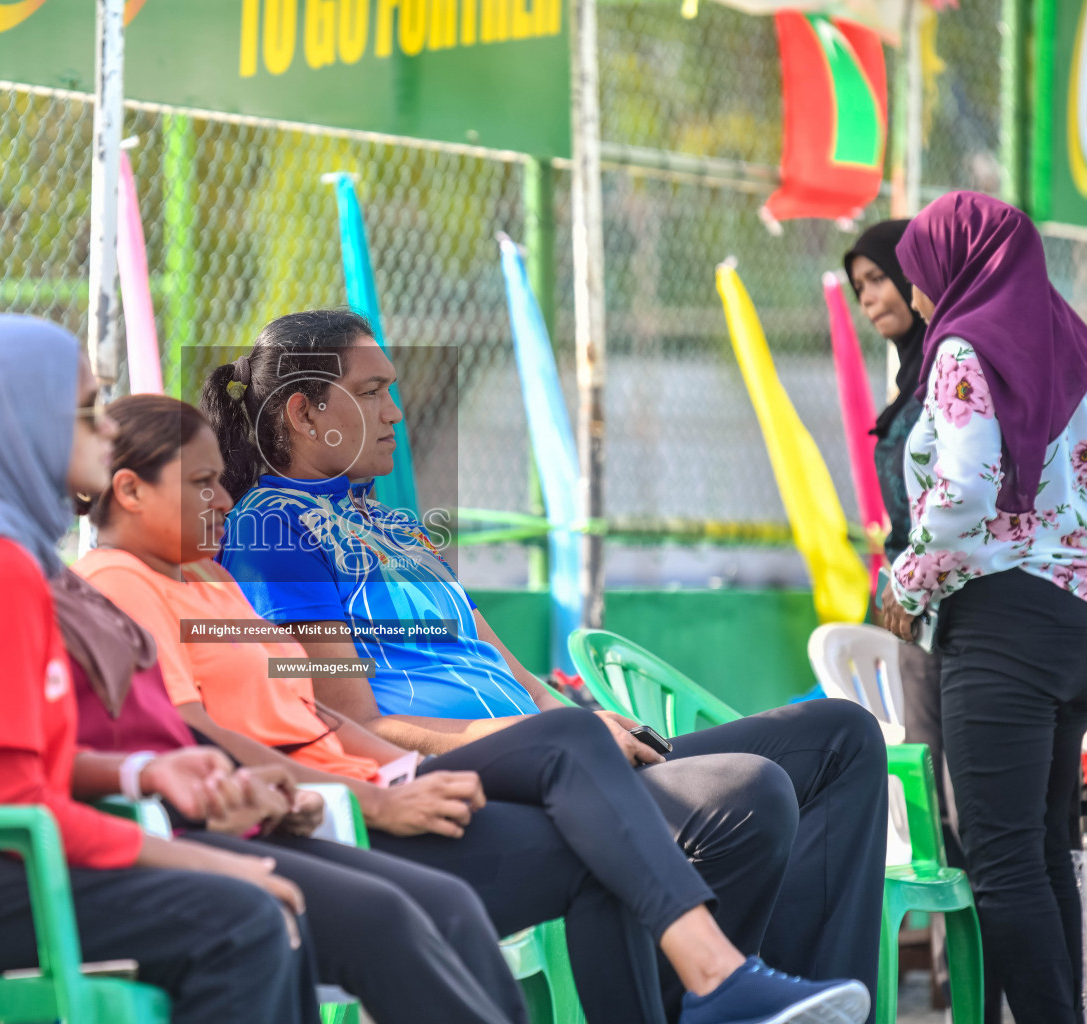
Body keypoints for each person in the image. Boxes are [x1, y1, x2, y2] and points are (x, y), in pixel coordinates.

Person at [76, 392, 874, 1024]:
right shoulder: (131, 580)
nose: (222, 496)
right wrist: (377, 794)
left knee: (616, 804)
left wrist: (393, 767)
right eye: (202, 483)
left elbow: (315, 710)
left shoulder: (215, 581)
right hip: (326, 813)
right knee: (574, 747)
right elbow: (197, 729)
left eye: (222, 477)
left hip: (378, 775)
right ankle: (719, 977)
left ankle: (728, 986)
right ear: (129, 489)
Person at [0, 417, 530, 1024]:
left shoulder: (89, 584)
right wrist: (199, 836)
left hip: (179, 814)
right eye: (80, 411)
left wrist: (154, 772)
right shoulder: (36, 589)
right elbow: (19, 796)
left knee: (433, 893)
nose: (90, 429)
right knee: (272, 918)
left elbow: (54, 761)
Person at [0, 315, 318, 1024]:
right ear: (15, 428)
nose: (107, 429)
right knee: (242, 919)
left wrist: (141, 774)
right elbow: (12, 808)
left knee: (251, 914)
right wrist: (205, 861)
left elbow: (8, 767)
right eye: (84, 413)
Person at [879, 191, 1087, 1024]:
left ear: (957, 266)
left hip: (1000, 624)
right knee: (1046, 851)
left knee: (1001, 864)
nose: (919, 295)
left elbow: (964, 492)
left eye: (920, 273)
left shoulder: (965, 345)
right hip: (1072, 615)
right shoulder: (1068, 338)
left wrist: (907, 582)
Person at [845, 221, 964, 868]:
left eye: (880, 278)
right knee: (929, 792)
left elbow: (954, 498)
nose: (869, 298)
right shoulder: (910, 376)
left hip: (949, 598)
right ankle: (954, 968)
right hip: (910, 602)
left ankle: (987, 967)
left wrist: (908, 589)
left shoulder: (952, 368)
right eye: (858, 286)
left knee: (964, 797)